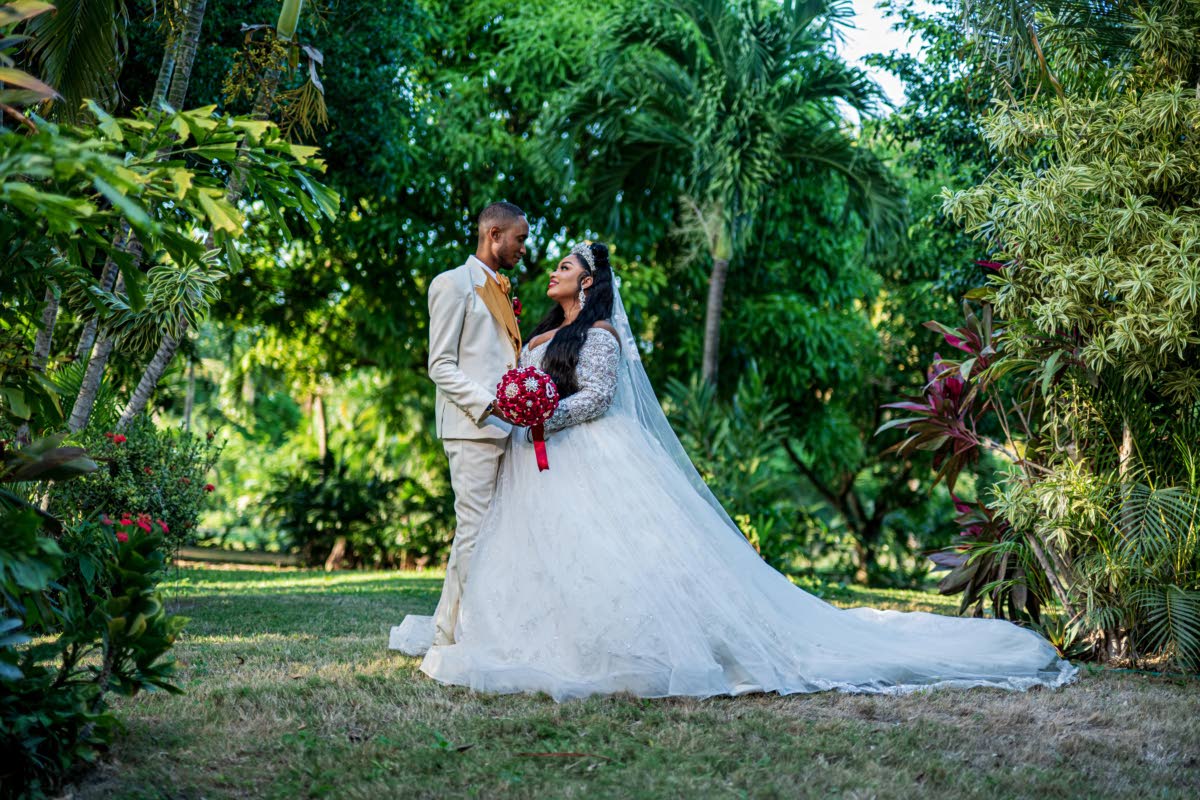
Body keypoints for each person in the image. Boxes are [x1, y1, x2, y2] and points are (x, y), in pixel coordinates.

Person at [396, 241, 1078, 701]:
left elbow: (599, 398)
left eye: (568, 265)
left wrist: (544, 413)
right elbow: (513, 377)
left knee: (606, 561)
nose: (555, 269)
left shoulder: (598, 336)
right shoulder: (540, 333)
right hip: (533, 461)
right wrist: (521, 406)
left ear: (591, 281)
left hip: (587, 457)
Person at [391, 201, 527, 652]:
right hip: (472, 428)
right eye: (519, 239)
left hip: (502, 430)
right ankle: (458, 638)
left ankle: (449, 632)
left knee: (480, 532)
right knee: (474, 531)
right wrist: (492, 407)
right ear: (493, 234)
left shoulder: (501, 290)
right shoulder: (451, 285)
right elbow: (441, 366)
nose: (523, 248)